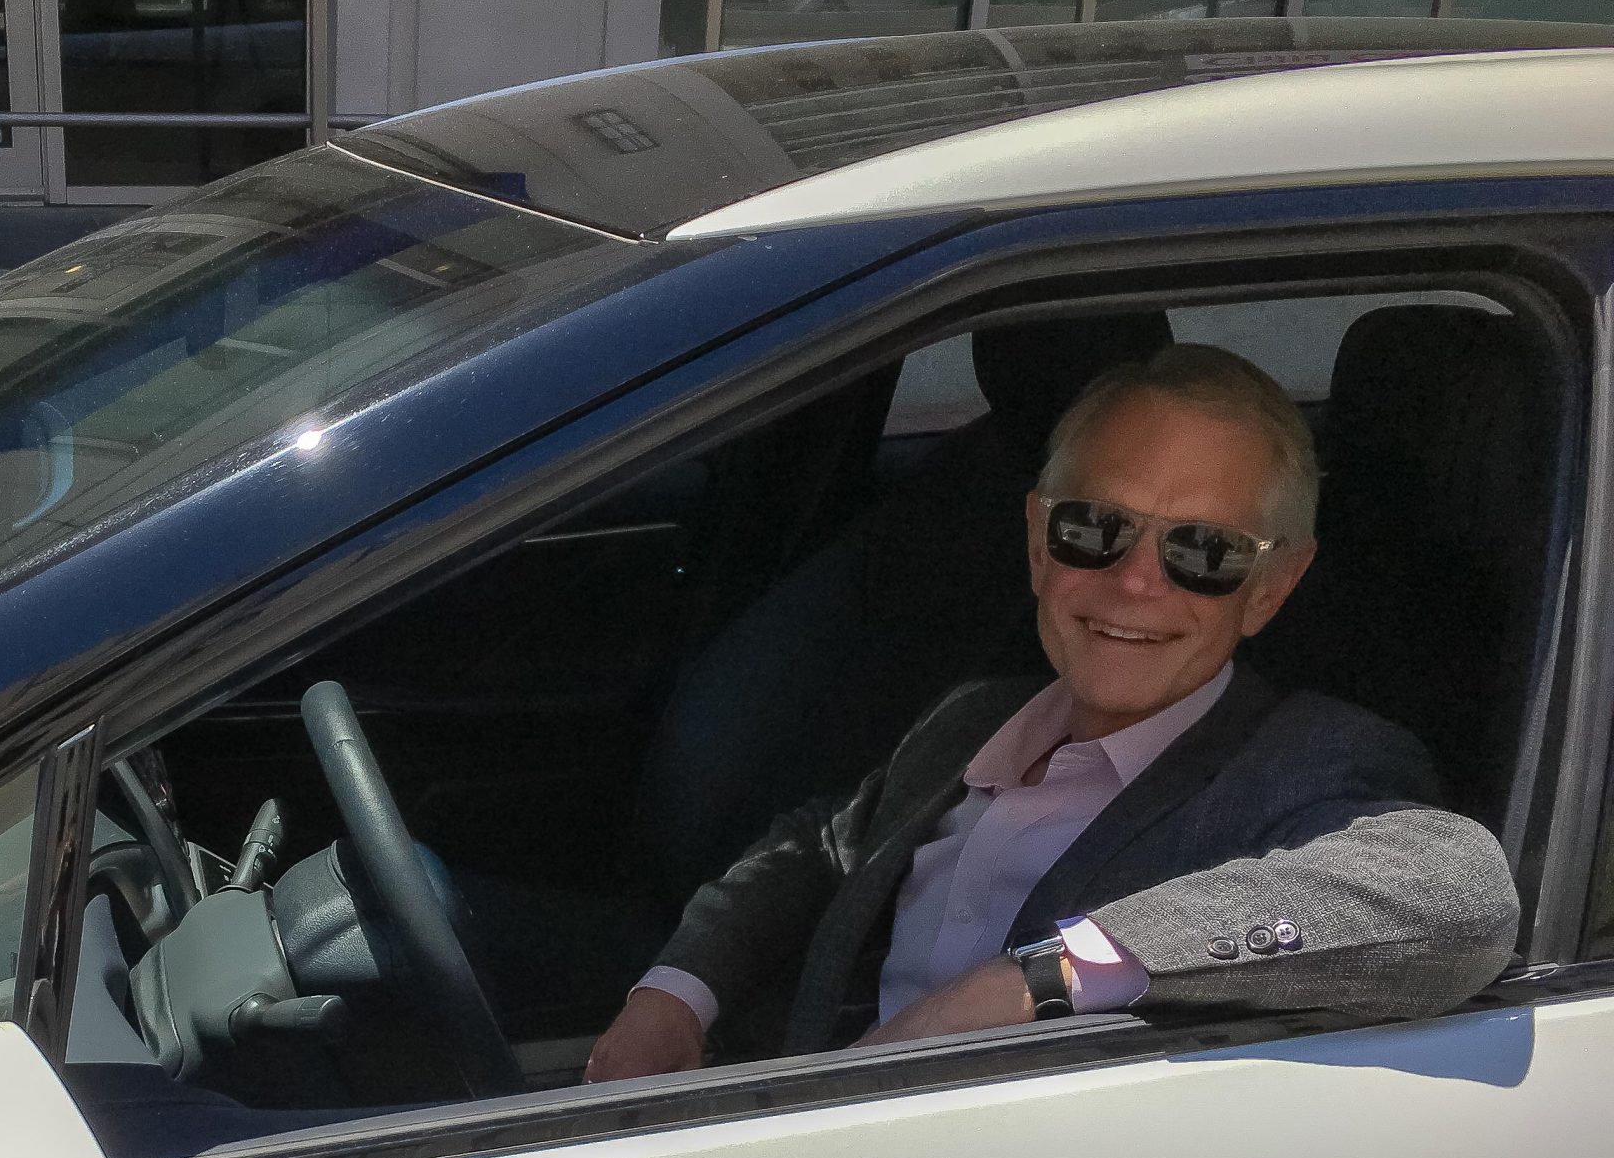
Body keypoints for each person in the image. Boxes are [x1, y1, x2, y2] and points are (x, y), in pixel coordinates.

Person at [584, 343, 1520, 1083]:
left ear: (1270, 589)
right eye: (1094, 529)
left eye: (1205, 551)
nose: (1135, 581)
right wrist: (675, 994)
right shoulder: (972, 721)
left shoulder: (1307, 764)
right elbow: (817, 847)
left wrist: (1044, 980)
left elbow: (1456, 901)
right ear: (1038, 543)